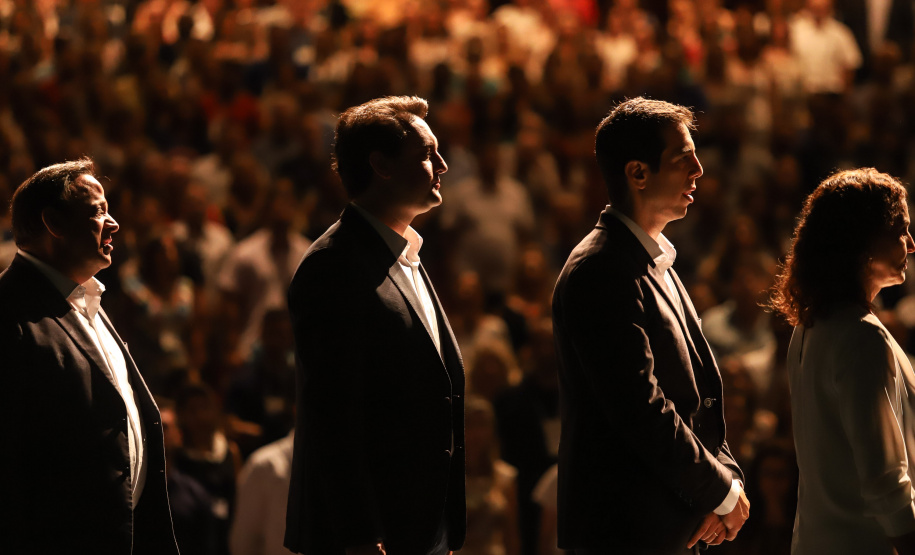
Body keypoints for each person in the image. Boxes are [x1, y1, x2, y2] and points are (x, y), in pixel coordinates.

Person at [551, 97, 749, 554]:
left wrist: (726, 482)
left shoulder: (653, 260)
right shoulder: (599, 270)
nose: (699, 169)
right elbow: (640, 407)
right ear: (638, 173)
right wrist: (720, 491)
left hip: (668, 523)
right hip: (627, 531)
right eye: (684, 159)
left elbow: (697, 397)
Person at [284, 96, 466, 555]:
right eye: (427, 154)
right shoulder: (334, 265)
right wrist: (360, 535)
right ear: (381, 165)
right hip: (374, 536)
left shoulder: (406, 256)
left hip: (420, 525)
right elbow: (332, 413)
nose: (442, 164)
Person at [0, 158, 180, 554]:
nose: (113, 223)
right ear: (54, 223)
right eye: (98, 211)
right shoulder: (10, 316)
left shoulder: (88, 300)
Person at [770, 167, 915, 554]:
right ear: (864, 239)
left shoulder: (809, 327)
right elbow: (886, 478)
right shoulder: (863, 336)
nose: (911, 243)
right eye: (900, 230)